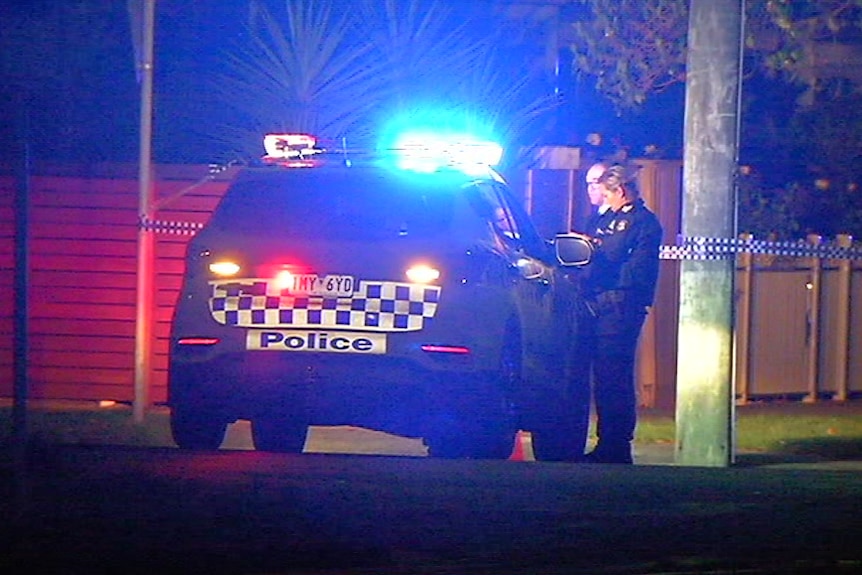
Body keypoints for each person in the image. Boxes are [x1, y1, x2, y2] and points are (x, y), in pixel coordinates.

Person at [578, 164, 663, 464]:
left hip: (621, 305)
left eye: (608, 191)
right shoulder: (605, 219)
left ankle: (616, 444)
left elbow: (611, 256)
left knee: (614, 375)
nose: (603, 196)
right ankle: (607, 442)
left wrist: (593, 250)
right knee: (603, 376)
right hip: (600, 302)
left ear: (621, 191)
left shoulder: (640, 222)